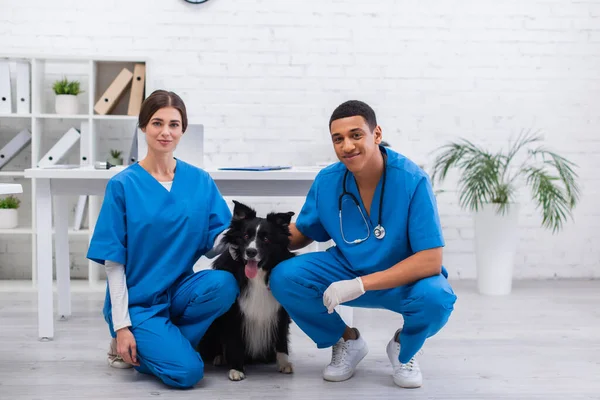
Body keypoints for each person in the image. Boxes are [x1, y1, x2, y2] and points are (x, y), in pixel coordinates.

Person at [269, 100, 457, 388]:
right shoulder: (328, 181)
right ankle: (347, 341)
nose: (347, 146)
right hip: (346, 269)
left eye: (356, 135)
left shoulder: (412, 180)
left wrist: (359, 285)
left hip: (400, 279)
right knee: (284, 277)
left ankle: (404, 347)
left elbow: (430, 260)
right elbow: (306, 231)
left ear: (376, 135)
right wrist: (259, 238)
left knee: (437, 299)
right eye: (338, 138)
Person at [87, 90, 239, 389]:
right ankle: (142, 343)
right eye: (157, 123)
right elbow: (113, 262)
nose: (165, 132)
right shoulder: (123, 185)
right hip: (138, 301)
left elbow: (216, 242)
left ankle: (164, 343)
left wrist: (247, 234)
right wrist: (121, 326)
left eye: (174, 124)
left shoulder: (199, 181)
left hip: (180, 290)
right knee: (188, 373)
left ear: (183, 129)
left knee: (224, 284)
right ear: (143, 127)